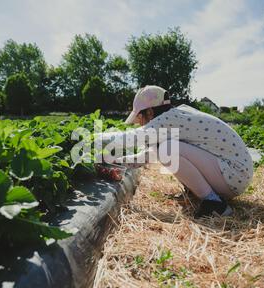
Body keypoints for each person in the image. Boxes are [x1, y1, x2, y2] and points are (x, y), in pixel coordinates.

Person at [97, 85, 253, 217]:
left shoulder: (169, 119)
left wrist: (95, 139)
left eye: (140, 119)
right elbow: (144, 157)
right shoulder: (175, 119)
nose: (140, 125)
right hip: (232, 174)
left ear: (150, 112)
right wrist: (110, 160)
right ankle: (208, 196)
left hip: (233, 174)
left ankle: (214, 203)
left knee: (167, 149)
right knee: (164, 149)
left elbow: (134, 137)